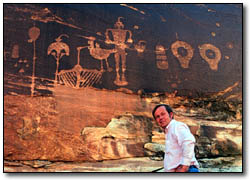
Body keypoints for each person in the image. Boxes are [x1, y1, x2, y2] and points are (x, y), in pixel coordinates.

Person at [152, 104, 199, 172]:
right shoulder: (169, 130)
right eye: (157, 116)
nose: (160, 118)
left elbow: (189, 141)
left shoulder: (177, 126)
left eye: (163, 114)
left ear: (171, 115)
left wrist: (184, 167)